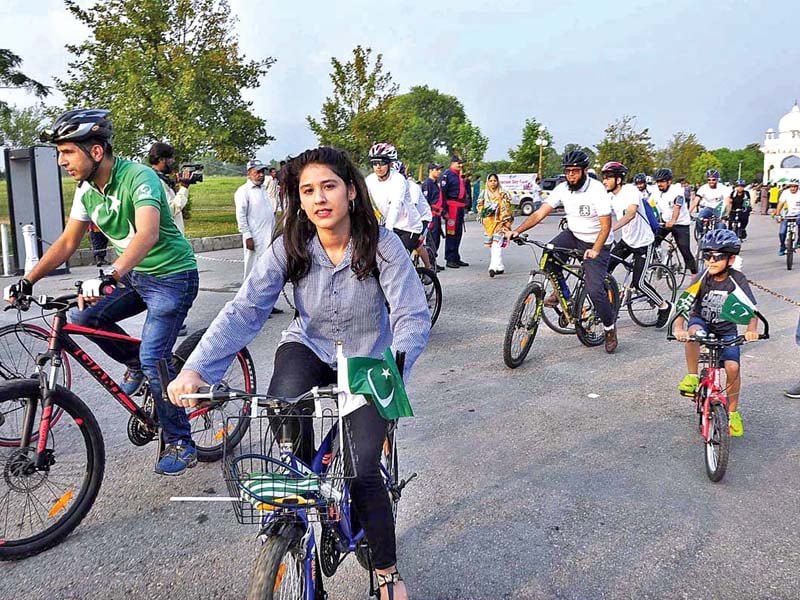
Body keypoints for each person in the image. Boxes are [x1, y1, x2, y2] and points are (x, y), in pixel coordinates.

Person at [167, 146, 429, 600]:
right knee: (283, 407)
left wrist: (394, 366)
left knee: (363, 466)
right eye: (308, 190)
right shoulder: (290, 245)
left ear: (350, 191)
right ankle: (308, 497)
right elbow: (246, 309)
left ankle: (386, 569)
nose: (319, 198)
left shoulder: (381, 245)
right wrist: (195, 369)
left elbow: (411, 316)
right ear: (299, 198)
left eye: (329, 186)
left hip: (367, 358)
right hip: (307, 345)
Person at [4, 108, 200, 475]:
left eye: (67, 152)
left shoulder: (139, 178)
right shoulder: (87, 190)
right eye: (59, 153)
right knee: (84, 316)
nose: (62, 161)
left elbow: (147, 234)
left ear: (96, 152)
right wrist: (28, 280)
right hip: (135, 275)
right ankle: (137, 366)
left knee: (155, 355)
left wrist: (110, 274)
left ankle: (179, 440)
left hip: (173, 277)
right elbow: (66, 242)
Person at [507, 149, 619, 353]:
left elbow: (606, 226)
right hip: (574, 235)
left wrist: (594, 250)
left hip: (598, 242)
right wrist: (517, 230)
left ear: (584, 170)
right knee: (548, 256)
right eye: (568, 171)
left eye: (575, 171)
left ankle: (610, 328)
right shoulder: (562, 189)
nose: (571, 175)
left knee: (595, 290)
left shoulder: (596, 190)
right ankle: (562, 295)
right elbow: (540, 213)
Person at [674, 229, 759, 437]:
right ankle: (693, 376)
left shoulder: (737, 279)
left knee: (732, 367)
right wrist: (678, 327)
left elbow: (751, 310)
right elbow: (684, 305)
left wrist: (751, 329)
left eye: (717, 257)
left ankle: (732, 413)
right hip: (702, 321)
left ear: (731, 259)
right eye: (706, 256)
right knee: (695, 333)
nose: (710, 261)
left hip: (726, 329)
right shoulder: (701, 277)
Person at [602, 162, 671, 327]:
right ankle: (611, 303)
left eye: (608, 177)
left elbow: (631, 213)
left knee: (639, 282)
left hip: (644, 243)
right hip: (627, 241)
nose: (604, 181)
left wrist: (610, 229)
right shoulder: (610, 196)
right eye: (603, 177)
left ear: (618, 179)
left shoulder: (631, 191)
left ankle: (664, 306)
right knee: (602, 271)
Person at [365, 143, 423, 254]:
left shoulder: (398, 180)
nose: (378, 167)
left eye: (382, 163)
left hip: (408, 227)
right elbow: (364, 203)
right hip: (386, 225)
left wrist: (388, 232)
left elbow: (395, 206)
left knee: (399, 258)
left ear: (390, 164)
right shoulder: (369, 180)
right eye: (374, 163)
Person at [235, 159, 277, 280]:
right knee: (252, 271)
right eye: (257, 172)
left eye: (263, 171)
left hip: (268, 236)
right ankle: (247, 298)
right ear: (249, 173)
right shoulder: (243, 191)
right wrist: (247, 236)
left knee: (266, 270)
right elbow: (241, 215)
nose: (261, 175)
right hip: (254, 237)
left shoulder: (263, 189)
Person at [652, 168, 698, 276]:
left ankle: (695, 277)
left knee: (685, 250)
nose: (659, 184)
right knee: (651, 241)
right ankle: (657, 261)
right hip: (665, 221)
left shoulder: (677, 191)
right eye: (658, 182)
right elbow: (650, 205)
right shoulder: (656, 191)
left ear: (669, 182)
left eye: (662, 181)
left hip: (680, 223)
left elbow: (677, 207)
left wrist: (673, 221)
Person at [147, 141, 191, 235]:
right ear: (161, 159)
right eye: (170, 158)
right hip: (169, 241)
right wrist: (184, 188)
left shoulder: (162, 179)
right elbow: (170, 211)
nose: (173, 161)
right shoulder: (156, 182)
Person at [476, 173, 513, 277]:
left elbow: (508, 208)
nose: (493, 183)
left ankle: (492, 267)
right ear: (487, 182)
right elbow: (479, 206)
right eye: (491, 181)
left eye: (495, 181)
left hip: (501, 222)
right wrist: (484, 213)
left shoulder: (503, 193)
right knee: (493, 245)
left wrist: (506, 221)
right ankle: (500, 266)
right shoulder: (484, 193)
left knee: (497, 243)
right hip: (489, 223)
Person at [441, 156, 469, 268]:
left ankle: (456, 257)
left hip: (460, 207)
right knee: (451, 234)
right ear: (452, 163)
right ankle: (449, 258)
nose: (460, 165)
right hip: (451, 208)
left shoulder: (458, 175)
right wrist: (444, 210)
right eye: (458, 163)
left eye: (461, 163)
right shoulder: (447, 175)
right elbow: (442, 193)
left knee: (458, 233)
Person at [421, 162, 445, 271]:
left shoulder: (436, 183)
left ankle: (434, 260)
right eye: (437, 169)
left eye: (440, 169)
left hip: (437, 215)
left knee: (436, 239)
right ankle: (430, 262)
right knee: (431, 239)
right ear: (431, 171)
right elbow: (426, 201)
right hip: (431, 215)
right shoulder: (428, 184)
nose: (439, 172)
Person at [774, 178, 800, 256]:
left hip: (799, 213)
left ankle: (799, 241)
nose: (793, 188)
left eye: (795, 186)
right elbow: (780, 203)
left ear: (798, 187)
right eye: (791, 186)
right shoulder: (785, 193)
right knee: (782, 232)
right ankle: (782, 246)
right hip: (788, 213)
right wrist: (778, 214)